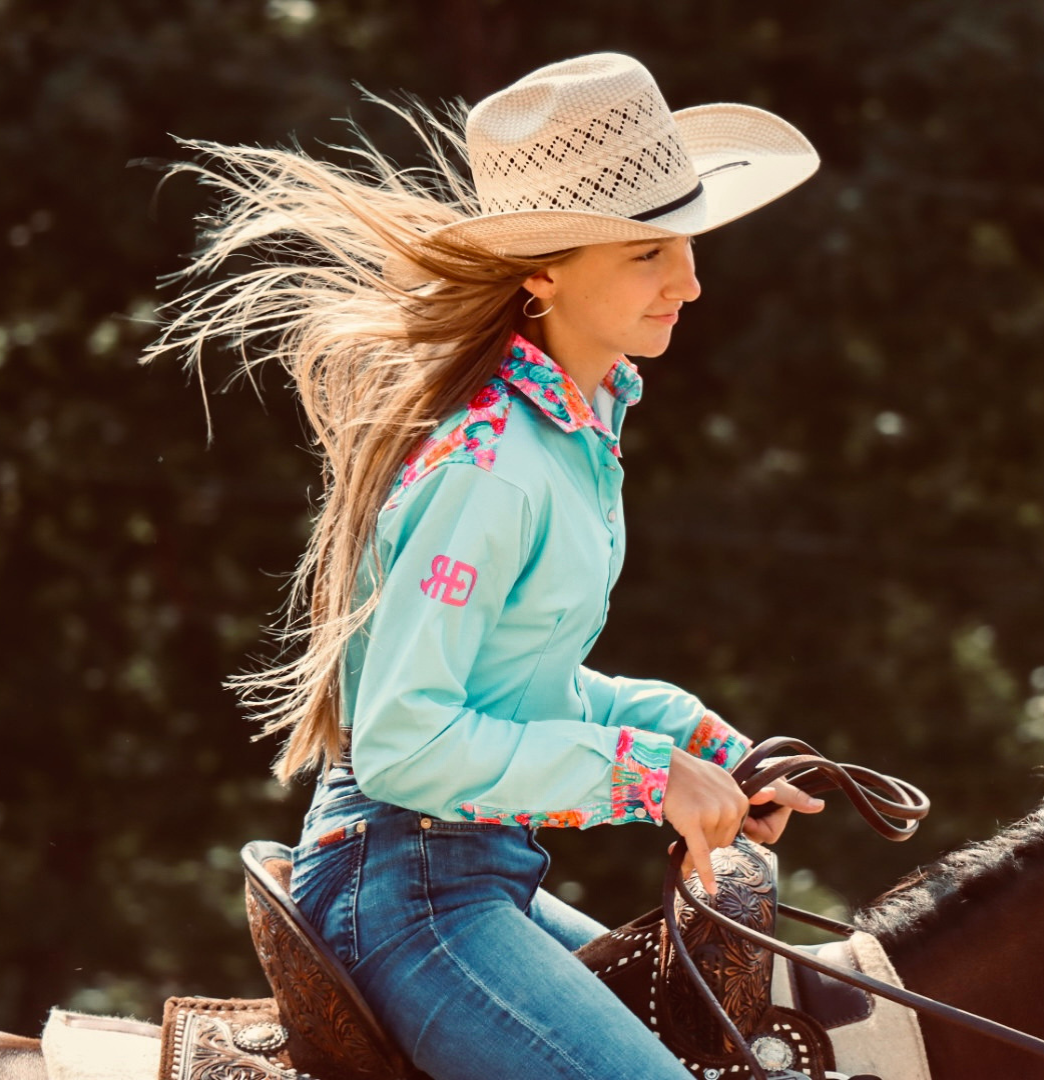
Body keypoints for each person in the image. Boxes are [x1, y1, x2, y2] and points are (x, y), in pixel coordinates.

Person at [151, 52, 825, 1080]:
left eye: (684, 243)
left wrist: (686, 735)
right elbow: (406, 742)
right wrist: (647, 779)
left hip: (464, 877)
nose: (690, 280)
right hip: (409, 892)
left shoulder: (567, 439)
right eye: (649, 252)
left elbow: (516, 685)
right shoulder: (496, 469)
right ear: (544, 270)